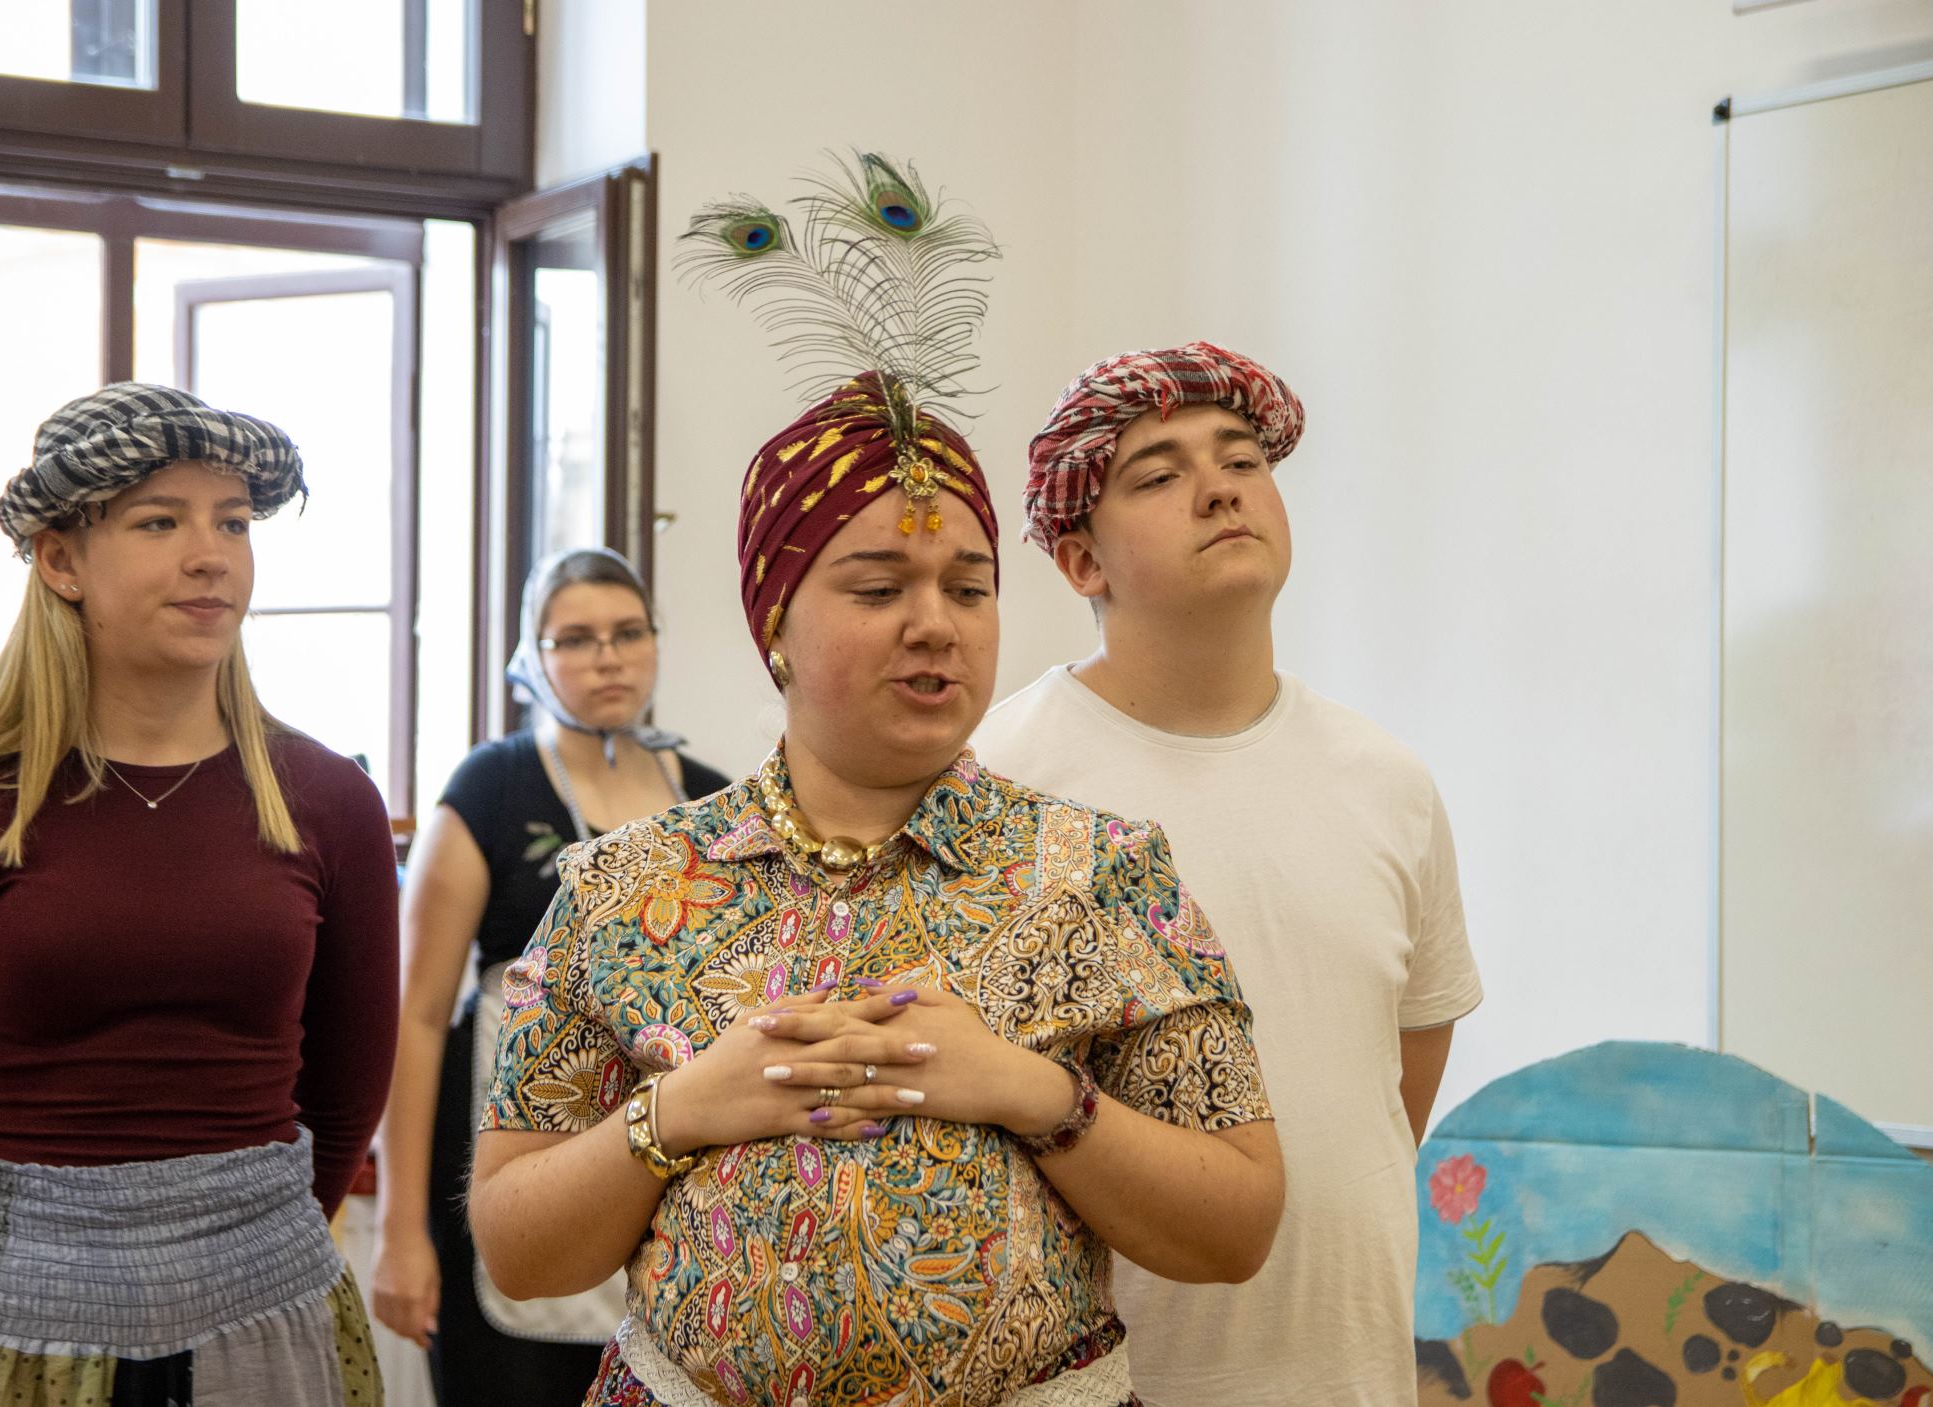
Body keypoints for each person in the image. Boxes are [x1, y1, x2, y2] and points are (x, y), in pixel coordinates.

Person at [468, 154, 1285, 1407]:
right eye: (876, 587)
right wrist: (681, 1110)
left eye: (967, 586)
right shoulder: (625, 887)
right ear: (775, 628)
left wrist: (1031, 1092)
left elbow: (1234, 1227)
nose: (934, 623)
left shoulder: (1101, 874)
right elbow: (521, 1251)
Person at [0, 382, 399, 1405]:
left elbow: (349, 1091)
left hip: (270, 1317)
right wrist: (1, 1279)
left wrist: (251, 1246)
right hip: (12, 1316)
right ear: (61, 560)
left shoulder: (329, 801)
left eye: (233, 522)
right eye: (159, 521)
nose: (211, 555)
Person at [973, 342, 1484, 1405]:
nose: (1218, 489)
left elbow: (1394, 1081)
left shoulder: (1384, 779)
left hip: (1344, 1379)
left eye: (1242, 461)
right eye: (1159, 475)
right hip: (1096, 1383)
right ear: (1081, 563)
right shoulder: (996, 782)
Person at [372, 546, 731, 1406]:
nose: (607, 657)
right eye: (574, 638)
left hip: (674, 1181)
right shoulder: (490, 788)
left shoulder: (714, 802)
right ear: (530, 657)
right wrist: (399, 1230)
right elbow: (416, 1014)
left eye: (627, 632)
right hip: (510, 1147)